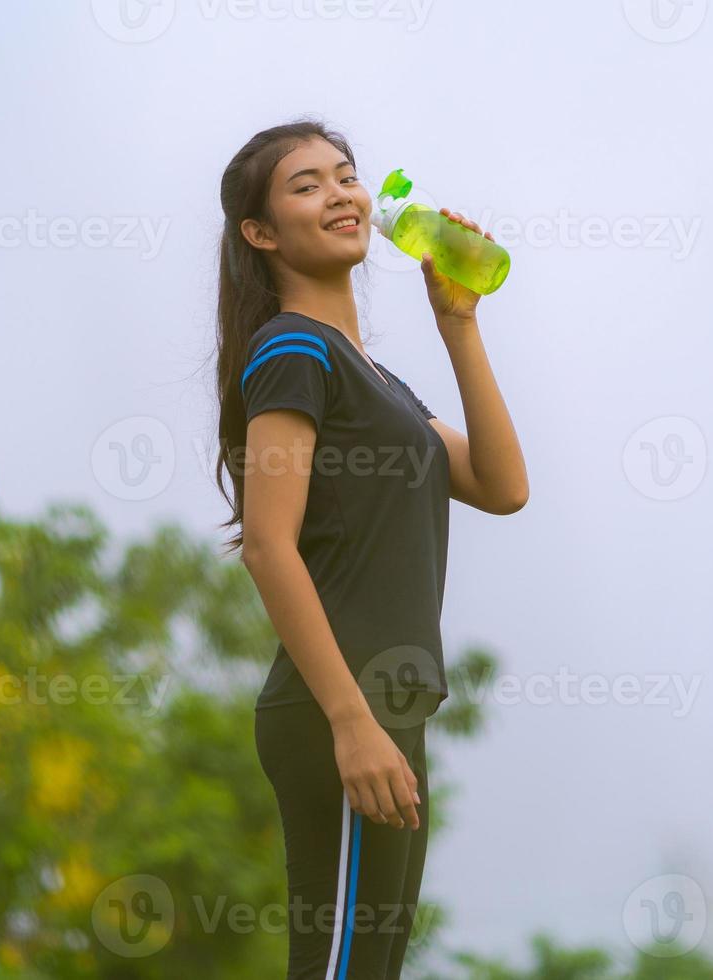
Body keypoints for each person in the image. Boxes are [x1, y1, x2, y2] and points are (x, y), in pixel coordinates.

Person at [211, 117, 529, 979]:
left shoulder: (376, 378)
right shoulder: (292, 348)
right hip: (339, 711)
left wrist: (458, 323)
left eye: (345, 176)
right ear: (261, 233)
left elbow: (503, 488)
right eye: (306, 184)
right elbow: (268, 548)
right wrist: (351, 725)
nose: (341, 194)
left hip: (393, 708)